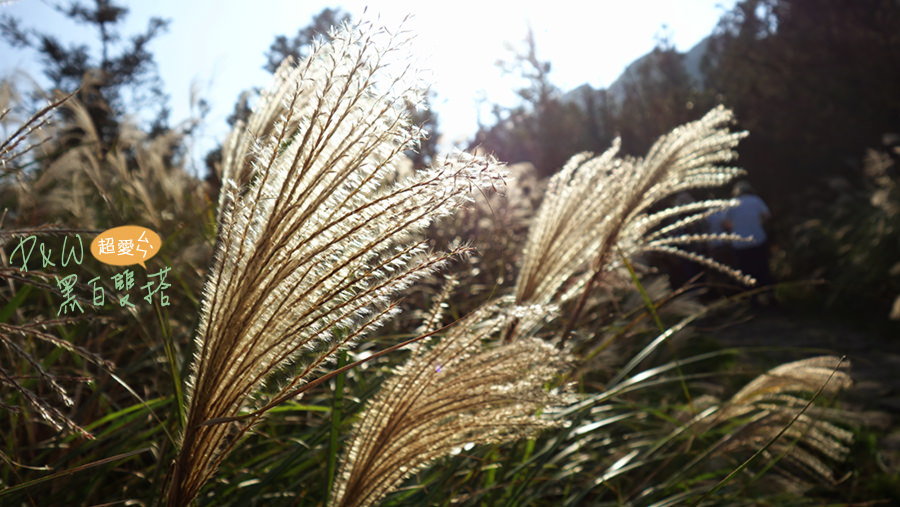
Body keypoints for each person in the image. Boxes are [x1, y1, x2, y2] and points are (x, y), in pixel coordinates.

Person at [724, 181, 774, 291]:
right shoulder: (756, 200)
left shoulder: (731, 203)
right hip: (758, 239)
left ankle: (752, 299)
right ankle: (769, 294)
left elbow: (725, 223)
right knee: (763, 268)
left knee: (746, 272)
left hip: (740, 244)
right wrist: (757, 223)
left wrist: (737, 226)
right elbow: (767, 215)